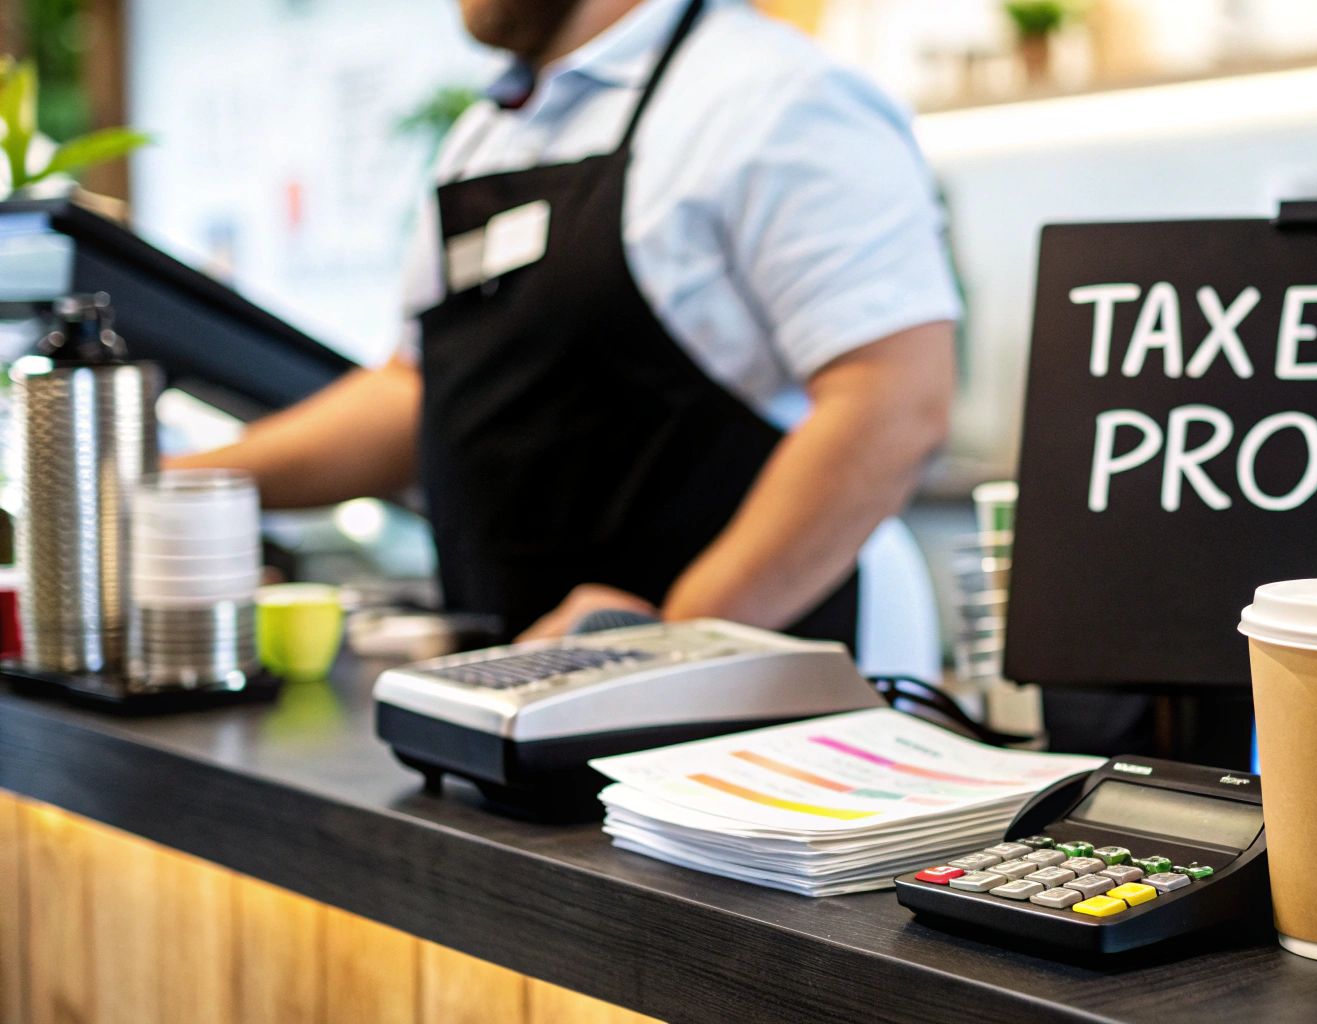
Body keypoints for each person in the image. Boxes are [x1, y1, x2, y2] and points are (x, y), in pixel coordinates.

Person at [179, 0, 959, 665]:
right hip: (533, 683)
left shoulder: (772, 99)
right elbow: (415, 390)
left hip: (743, 718)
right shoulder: (490, 134)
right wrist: (181, 486)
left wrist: (670, 645)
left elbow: (893, 399)